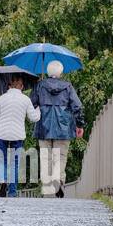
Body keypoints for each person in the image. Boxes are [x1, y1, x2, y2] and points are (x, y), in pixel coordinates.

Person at [31, 60, 85, 198]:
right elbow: (77, 106)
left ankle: (48, 185)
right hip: (64, 127)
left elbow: (32, 104)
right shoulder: (68, 86)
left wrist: (40, 89)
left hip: (44, 126)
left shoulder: (40, 85)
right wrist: (80, 125)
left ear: (48, 72)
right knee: (60, 157)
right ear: (60, 72)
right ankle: (59, 180)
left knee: (46, 157)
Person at [0, 74, 40, 197]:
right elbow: (33, 118)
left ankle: (2, 181)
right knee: (14, 163)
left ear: (9, 85)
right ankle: (12, 192)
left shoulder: (2, 98)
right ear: (22, 86)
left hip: (1, 133)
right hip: (17, 135)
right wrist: (38, 109)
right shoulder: (25, 99)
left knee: (2, 160)